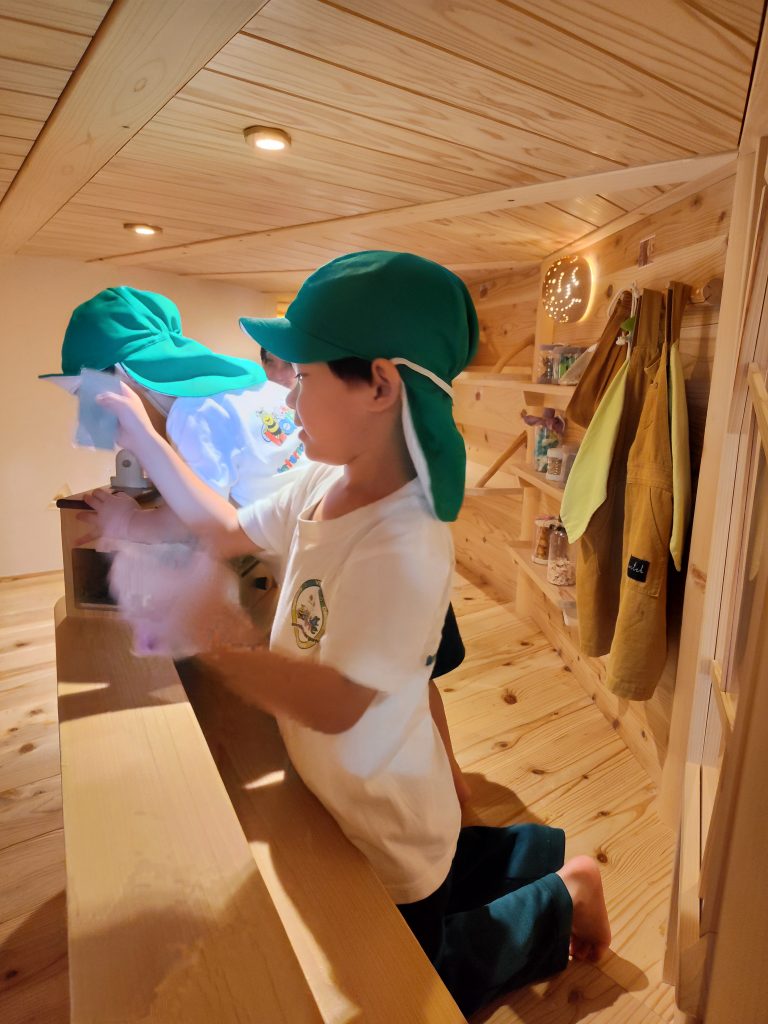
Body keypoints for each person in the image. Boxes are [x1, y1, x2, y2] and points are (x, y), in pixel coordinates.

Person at [86, 251, 610, 1016]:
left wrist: (214, 636)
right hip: (362, 790)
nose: (286, 393)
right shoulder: (321, 481)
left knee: (428, 975)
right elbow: (228, 527)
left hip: (388, 815)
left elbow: (335, 704)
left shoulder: (405, 541)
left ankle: (566, 895)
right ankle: (534, 851)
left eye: (302, 376)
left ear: (380, 385)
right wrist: (141, 428)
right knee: (444, 864)